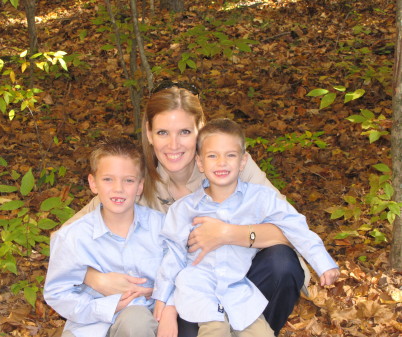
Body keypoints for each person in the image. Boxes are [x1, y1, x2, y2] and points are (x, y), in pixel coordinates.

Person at [67, 80, 312, 336]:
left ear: (200, 131)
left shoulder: (231, 166)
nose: (173, 145)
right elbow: (65, 239)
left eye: (184, 132)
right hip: (179, 295)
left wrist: (228, 233)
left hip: (238, 278)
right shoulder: (135, 180)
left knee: (281, 264)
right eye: (163, 133)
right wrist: (96, 279)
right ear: (149, 134)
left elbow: (293, 229)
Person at [152, 118, 340, 337]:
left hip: (237, 289)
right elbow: (172, 254)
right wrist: (162, 300)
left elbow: (295, 226)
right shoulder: (184, 209)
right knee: (216, 331)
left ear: (243, 161)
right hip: (198, 291)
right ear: (200, 163)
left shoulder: (260, 198)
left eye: (230, 155)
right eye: (212, 156)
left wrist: (323, 262)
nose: (221, 162)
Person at [44, 138, 176, 337]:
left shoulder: (161, 228)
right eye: (108, 179)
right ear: (93, 183)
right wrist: (107, 306)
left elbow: (179, 272)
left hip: (141, 324)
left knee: (137, 320)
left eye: (128, 180)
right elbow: (58, 293)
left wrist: (163, 302)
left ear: (140, 186)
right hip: (88, 324)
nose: (118, 188)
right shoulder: (74, 236)